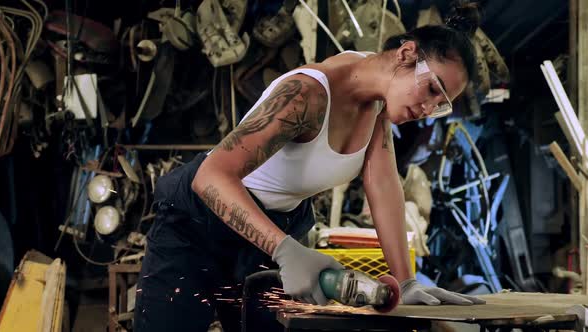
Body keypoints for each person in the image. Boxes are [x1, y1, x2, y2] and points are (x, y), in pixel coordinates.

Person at [134, 3, 487, 331]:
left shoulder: (377, 100)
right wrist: (285, 251)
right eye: (431, 89)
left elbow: (383, 187)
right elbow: (210, 177)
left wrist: (405, 280)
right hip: (198, 224)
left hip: (267, 236)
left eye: (441, 104)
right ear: (407, 53)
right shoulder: (307, 94)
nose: (429, 108)